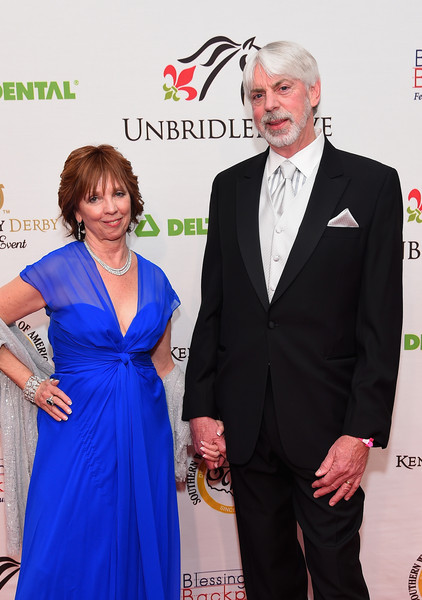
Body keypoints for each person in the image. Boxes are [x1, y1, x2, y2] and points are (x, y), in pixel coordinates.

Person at [183, 41, 403, 600]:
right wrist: (202, 408)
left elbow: (381, 324)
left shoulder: (371, 185)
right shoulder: (229, 187)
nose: (270, 105)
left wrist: (361, 432)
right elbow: (215, 307)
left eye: (283, 88)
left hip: (330, 432)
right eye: (258, 95)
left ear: (314, 92)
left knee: (336, 580)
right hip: (247, 427)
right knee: (268, 582)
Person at [0, 144, 201, 599]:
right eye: (94, 198)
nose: (110, 208)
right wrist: (32, 385)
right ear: (76, 210)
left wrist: (190, 433)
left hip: (145, 437)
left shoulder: (156, 279)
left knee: (139, 549)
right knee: (68, 551)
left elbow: (165, 367)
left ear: (132, 199)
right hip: (77, 433)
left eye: (118, 194)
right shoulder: (58, 270)